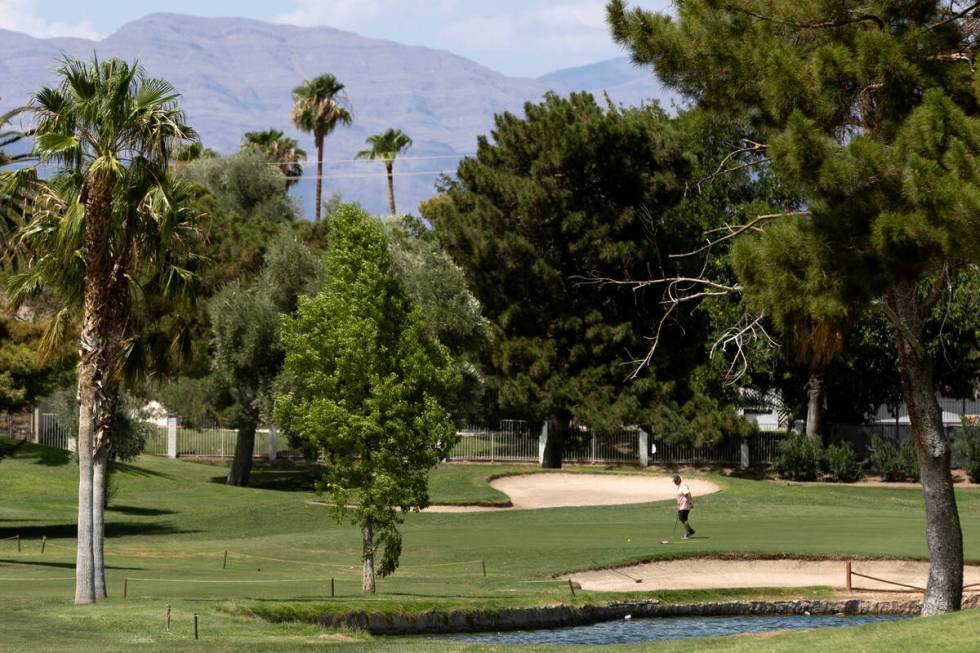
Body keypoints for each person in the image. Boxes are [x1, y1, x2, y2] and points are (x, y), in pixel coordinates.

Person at [672, 473, 695, 539]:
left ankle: (688, 533)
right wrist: (679, 505)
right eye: (674, 481)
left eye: (675, 481)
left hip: (685, 505)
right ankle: (690, 531)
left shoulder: (683, 485)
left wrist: (690, 503)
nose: (675, 482)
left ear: (679, 479)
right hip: (682, 505)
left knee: (683, 518)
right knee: (682, 518)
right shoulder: (680, 485)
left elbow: (688, 493)